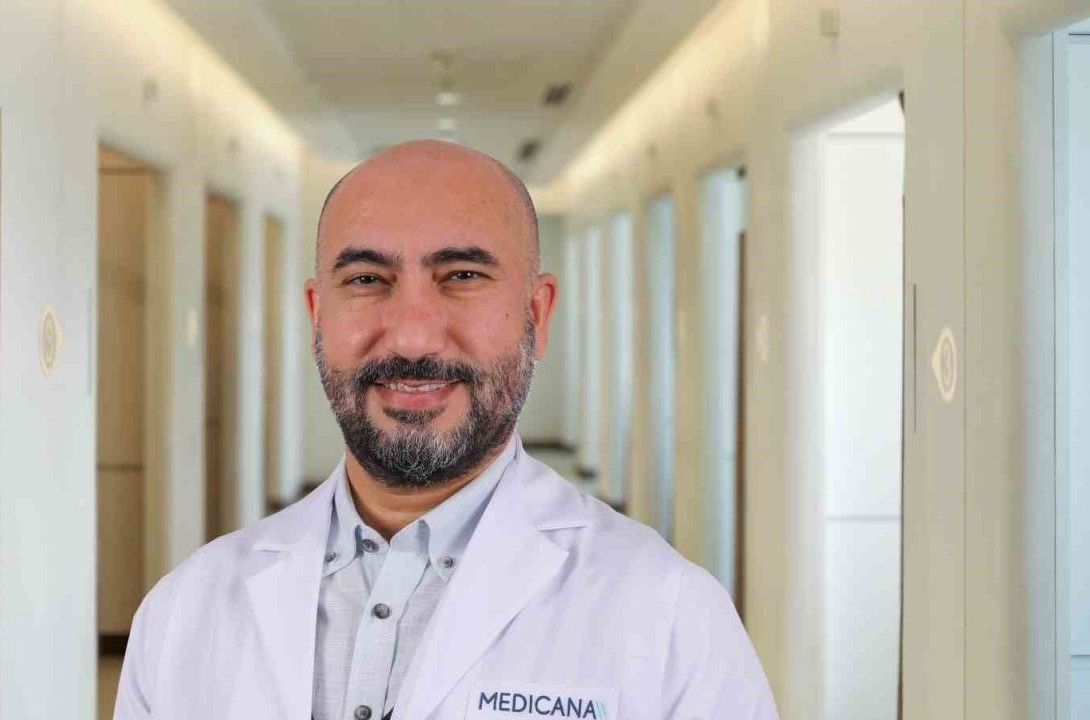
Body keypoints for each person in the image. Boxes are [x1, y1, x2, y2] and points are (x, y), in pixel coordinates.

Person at [114, 140, 778, 720]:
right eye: (367, 278)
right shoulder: (186, 611)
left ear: (537, 314)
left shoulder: (670, 615)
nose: (412, 336)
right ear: (317, 314)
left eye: (462, 276)